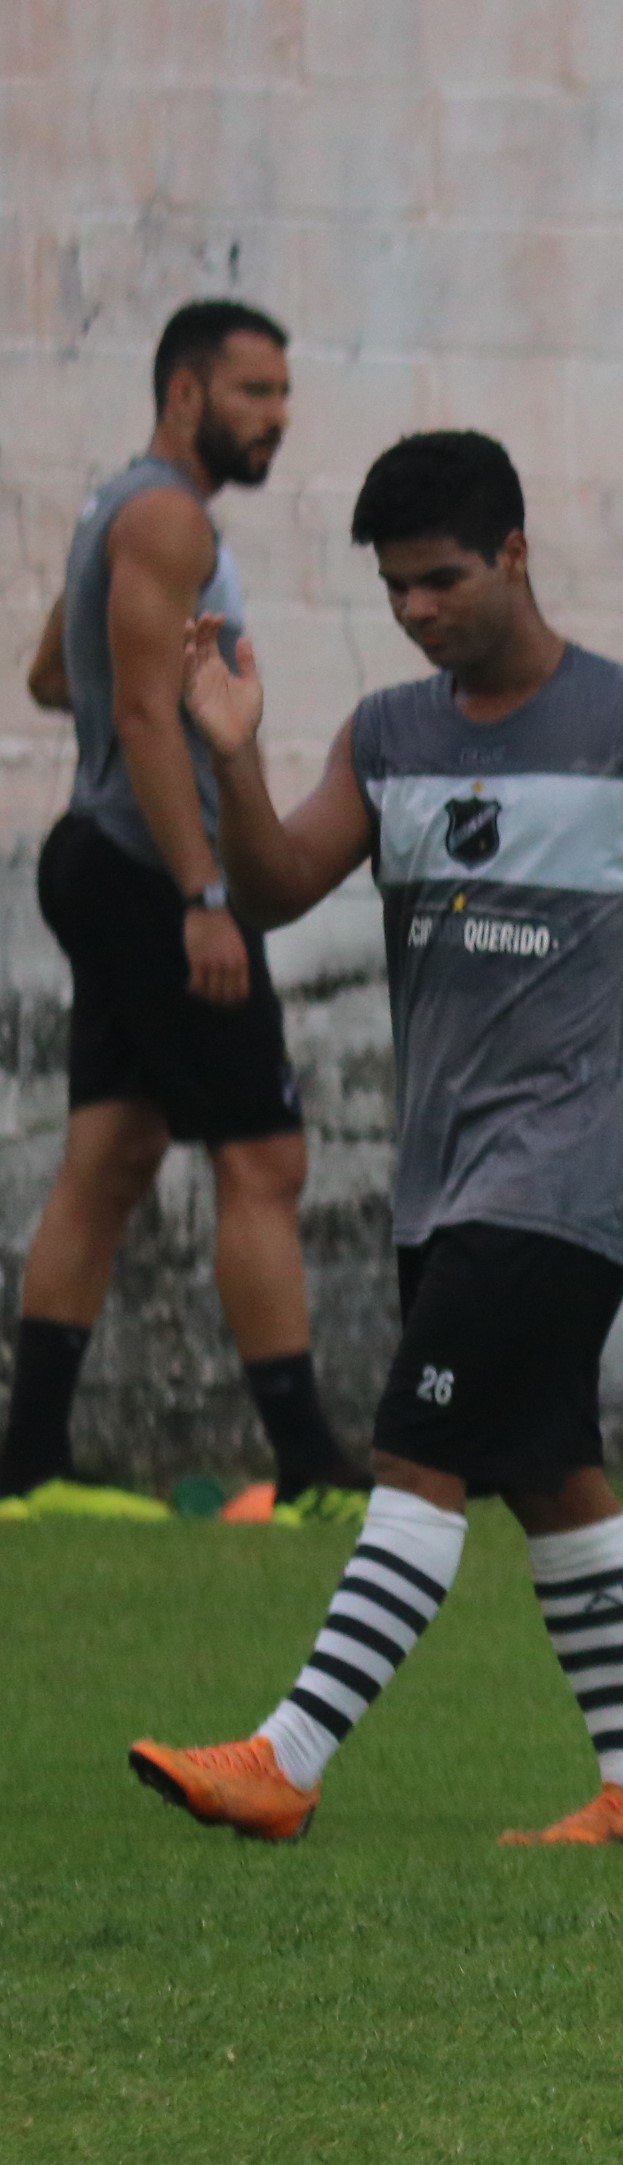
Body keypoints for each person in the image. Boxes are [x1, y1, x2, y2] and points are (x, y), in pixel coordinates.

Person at [125, 430, 623, 1846]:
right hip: (444, 1179)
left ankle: (283, 1759)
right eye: (396, 589)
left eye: (443, 580)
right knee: (546, 1468)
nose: (418, 612)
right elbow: (277, 887)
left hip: (564, 1181)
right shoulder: (388, 735)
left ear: (515, 555)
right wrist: (230, 754)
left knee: (418, 1447)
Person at [2, 298, 362, 1526]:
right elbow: (147, 716)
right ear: (185, 394)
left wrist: (121, 695)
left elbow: (58, 676)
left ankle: (27, 1470)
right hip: (155, 876)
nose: (277, 418)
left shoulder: (125, 511)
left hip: (100, 860)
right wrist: (208, 896)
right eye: (254, 392)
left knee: (111, 1155)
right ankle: (314, 1469)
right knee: (263, 1155)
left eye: (284, 396)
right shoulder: (165, 517)